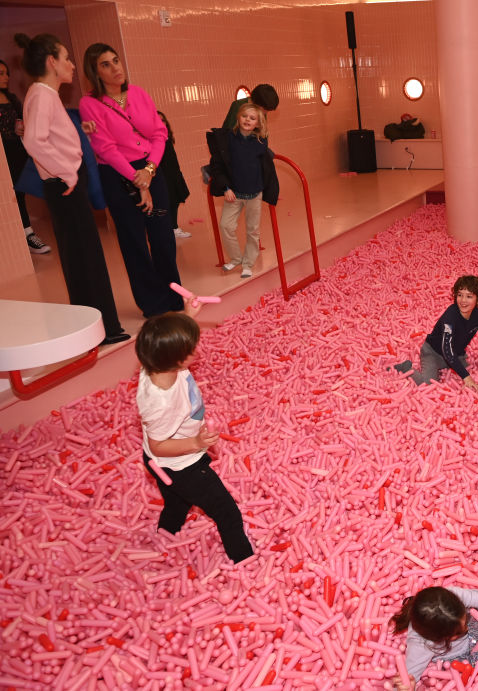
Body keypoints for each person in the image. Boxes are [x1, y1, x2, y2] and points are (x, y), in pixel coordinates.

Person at [16, 33, 129, 345]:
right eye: (65, 58)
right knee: (84, 257)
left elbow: (49, 135)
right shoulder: (41, 94)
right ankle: (102, 327)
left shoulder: (45, 95)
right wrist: (67, 173)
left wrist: (81, 130)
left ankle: (96, 326)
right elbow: (33, 141)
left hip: (65, 181)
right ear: (51, 62)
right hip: (63, 183)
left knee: (83, 256)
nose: (71, 65)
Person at [135, 300, 254, 564]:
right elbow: (159, 445)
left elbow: (165, 341)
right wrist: (195, 441)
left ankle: (166, 532)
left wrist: (187, 315)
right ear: (176, 358)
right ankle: (244, 559)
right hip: (180, 464)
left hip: (163, 465)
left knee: (177, 501)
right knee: (225, 510)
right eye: (191, 349)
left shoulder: (154, 362)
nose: (197, 351)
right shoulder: (163, 401)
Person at [78, 43, 184, 319]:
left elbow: (159, 134)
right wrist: (137, 180)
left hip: (150, 169)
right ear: (95, 71)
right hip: (117, 174)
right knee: (134, 240)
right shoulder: (89, 103)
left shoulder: (139, 94)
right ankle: (153, 304)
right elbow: (105, 147)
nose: (115, 68)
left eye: (116, 61)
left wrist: (149, 172)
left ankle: (175, 296)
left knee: (163, 237)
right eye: (106, 64)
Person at [393, 275, 478, 390]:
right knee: (427, 383)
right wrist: (466, 377)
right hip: (434, 353)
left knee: (469, 371)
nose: (463, 301)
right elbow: (446, 349)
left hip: (456, 354)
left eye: (469, 296)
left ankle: (451, 366)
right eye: (460, 295)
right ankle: (406, 368)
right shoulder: (450, 317)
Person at [206, 103, 279, 279]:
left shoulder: (260, 142)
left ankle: (248, 263)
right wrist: (225, 187)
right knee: (225, 226)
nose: (248, 120)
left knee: (252, 230)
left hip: (254, 194)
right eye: (245, 116)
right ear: (238, 118)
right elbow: (218, 166)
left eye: (252, 118)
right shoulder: (228, 139)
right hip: (234, 194)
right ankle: (237, 258)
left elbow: (266, 167)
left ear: (258, 124)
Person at [0, 59, 50, 254]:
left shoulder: (11, 98)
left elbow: (23, 121)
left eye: (6, 73)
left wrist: (23, 129)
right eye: (0, 74)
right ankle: (21, 234)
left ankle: (28, 233)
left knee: (19, 192)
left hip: (17, 152)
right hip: (2, 155)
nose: (5, 77)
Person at [157, 111, 191, 239]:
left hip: (174, 174)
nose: (161, 122)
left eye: (163, 120)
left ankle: (173, 227)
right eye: (158, 120)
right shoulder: (155, 139)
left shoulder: (167, 137)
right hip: (164, 175)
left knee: (175, 199)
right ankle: (172, 228)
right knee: (169, 201)